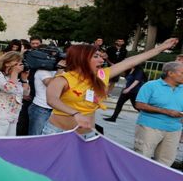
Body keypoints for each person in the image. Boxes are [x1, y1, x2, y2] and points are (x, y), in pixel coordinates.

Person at [44, 38, 178, 138]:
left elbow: (130, 61)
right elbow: (52, 100)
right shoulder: (63, 79)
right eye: (96, 57)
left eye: (101, 57)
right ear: (81, 59)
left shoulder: (102, 75)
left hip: (87, 135)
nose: (102, 60)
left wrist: (161, 48)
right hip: (57, 133)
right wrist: (76, 113)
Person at [133, 62, 183, 166]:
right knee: (142, 158)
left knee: (166, 162)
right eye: (182, 73)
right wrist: (166, 111)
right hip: (149, 127)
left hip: (174, 130)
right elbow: (139, 105)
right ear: (170, 73)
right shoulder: (150, 85)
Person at [0, 51, 29, 137]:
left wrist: (24, 79)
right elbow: (9, 88)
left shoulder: (15, 78)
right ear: (7, 63)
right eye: (17, 62)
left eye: (21, 62)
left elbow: (26, 93)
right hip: (0, 115)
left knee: (8, 144)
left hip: (13, 116)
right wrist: (15, 73)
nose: (20, 65)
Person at [27, 55, 62, 136]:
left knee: (49, 137)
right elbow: (51, 85)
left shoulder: (60, 72)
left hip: (55, 109)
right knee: (35, 137)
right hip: (40, 109)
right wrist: (60, 69)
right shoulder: (42, 71)